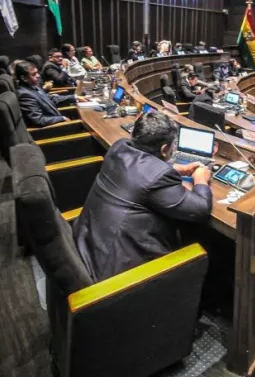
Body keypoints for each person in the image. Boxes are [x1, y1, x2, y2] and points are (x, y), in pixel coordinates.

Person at [72, 112, 213, 281]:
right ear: (164, 149)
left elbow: (137, 174)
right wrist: (201, 180)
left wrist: (174, 169)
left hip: (88, 246)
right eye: (173, 144)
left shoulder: (118, 147)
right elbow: (200, 209)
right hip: (117, 275)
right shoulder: (158, 178)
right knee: (205, 242)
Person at [15, 61, 76, 127]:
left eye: (37, 72)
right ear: (23, 78)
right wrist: (62, 118)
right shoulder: (24, 95)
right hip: (53, 128)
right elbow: (38, 120)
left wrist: (74, 97)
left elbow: (50, 98)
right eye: (34, 74)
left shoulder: (32, 86)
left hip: (57, 118)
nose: (38, 76)